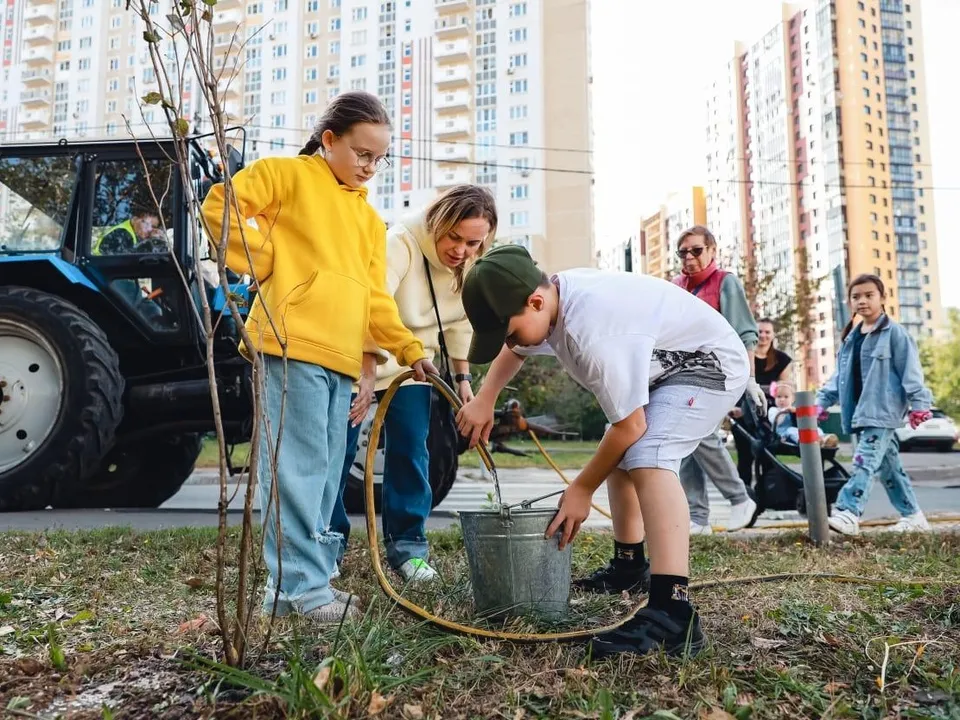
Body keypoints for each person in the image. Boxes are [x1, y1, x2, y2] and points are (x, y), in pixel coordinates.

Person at [201, 91, 437, 623]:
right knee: (297, 471)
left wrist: (408, 350)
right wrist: (268, 260)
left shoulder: (368, 220)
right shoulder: (285, 175)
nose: (369, 166)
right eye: (361, 153)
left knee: (327, 475)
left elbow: (374, 299)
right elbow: (218, 207)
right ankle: (301, 591)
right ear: (329, 140)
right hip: (290, 345)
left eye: (379, 158)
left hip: (342, 359)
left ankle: (302, 587)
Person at [456, 245, 749, 658]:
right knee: (618, 450)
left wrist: (581, 488)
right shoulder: (551, 300)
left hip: (708, 363)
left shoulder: (594, 332)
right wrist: (486, 397)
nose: (509, 340)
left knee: (648, 452)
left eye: (508, 330)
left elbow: (631, 427)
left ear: (535, 302)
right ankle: (629, 567)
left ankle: (673, 613)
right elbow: (517, 347)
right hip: (668, 365)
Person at [330, 184, 497, 583]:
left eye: (473, 242)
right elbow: (370, 306)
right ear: (437, 222)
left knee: (411, 451)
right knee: (338, 454)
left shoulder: (470, 262)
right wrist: (366, 372)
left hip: (415, 364)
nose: (461, 250)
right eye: (454, 237)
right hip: (363, 354)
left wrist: (463, 379)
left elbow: (459, 323)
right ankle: (328, 546)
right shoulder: (400, 243)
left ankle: (408, 547)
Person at [816, 273, 933, 536]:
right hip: (860, 412)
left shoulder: (895, 333)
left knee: (864, 461)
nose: (862, 301)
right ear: (849, 302)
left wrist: (919, 404)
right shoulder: (851, 338)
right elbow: (839, 377)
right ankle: (913, 515)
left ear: (882, 298)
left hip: (883, 412)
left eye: (869, 295)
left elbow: (911, 371)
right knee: (889, 467)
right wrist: (821, 402)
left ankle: (848, 512)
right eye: (856, 296)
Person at [671, 226, 761, 536]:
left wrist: (750, 378)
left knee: (699, 432)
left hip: (718, 371)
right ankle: (697, 517)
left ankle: (740, 499)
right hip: (682, 372)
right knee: (683, 439)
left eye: (696, 250)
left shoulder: (725, 282)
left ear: (711, 250)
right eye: (683, 252)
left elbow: (745, 332)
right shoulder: (676, 287)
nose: (689, 257)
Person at [734, 318, 793, 483]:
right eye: (759, 331)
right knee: (745, 457)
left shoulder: (782, 360)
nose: (763, 335)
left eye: (767, 332)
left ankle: (768, 489)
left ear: (773, 335)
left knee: (768, 456)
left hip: (769, 416)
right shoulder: (743, 356)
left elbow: (784, 389)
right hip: (743, 413)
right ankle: (745, 492)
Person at [768, 382, 838, 448]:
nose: (782, 399)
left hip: (799, 430)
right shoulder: (773, 410)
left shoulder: (794, 408)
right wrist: (785, 411)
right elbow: (777, 421)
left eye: (786, 397)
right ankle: (809, 441)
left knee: (814, 428)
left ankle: (824, 439)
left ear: (792, 399)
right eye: (779, 397)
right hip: (782, 434)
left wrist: (800, 411)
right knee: (791, 430)